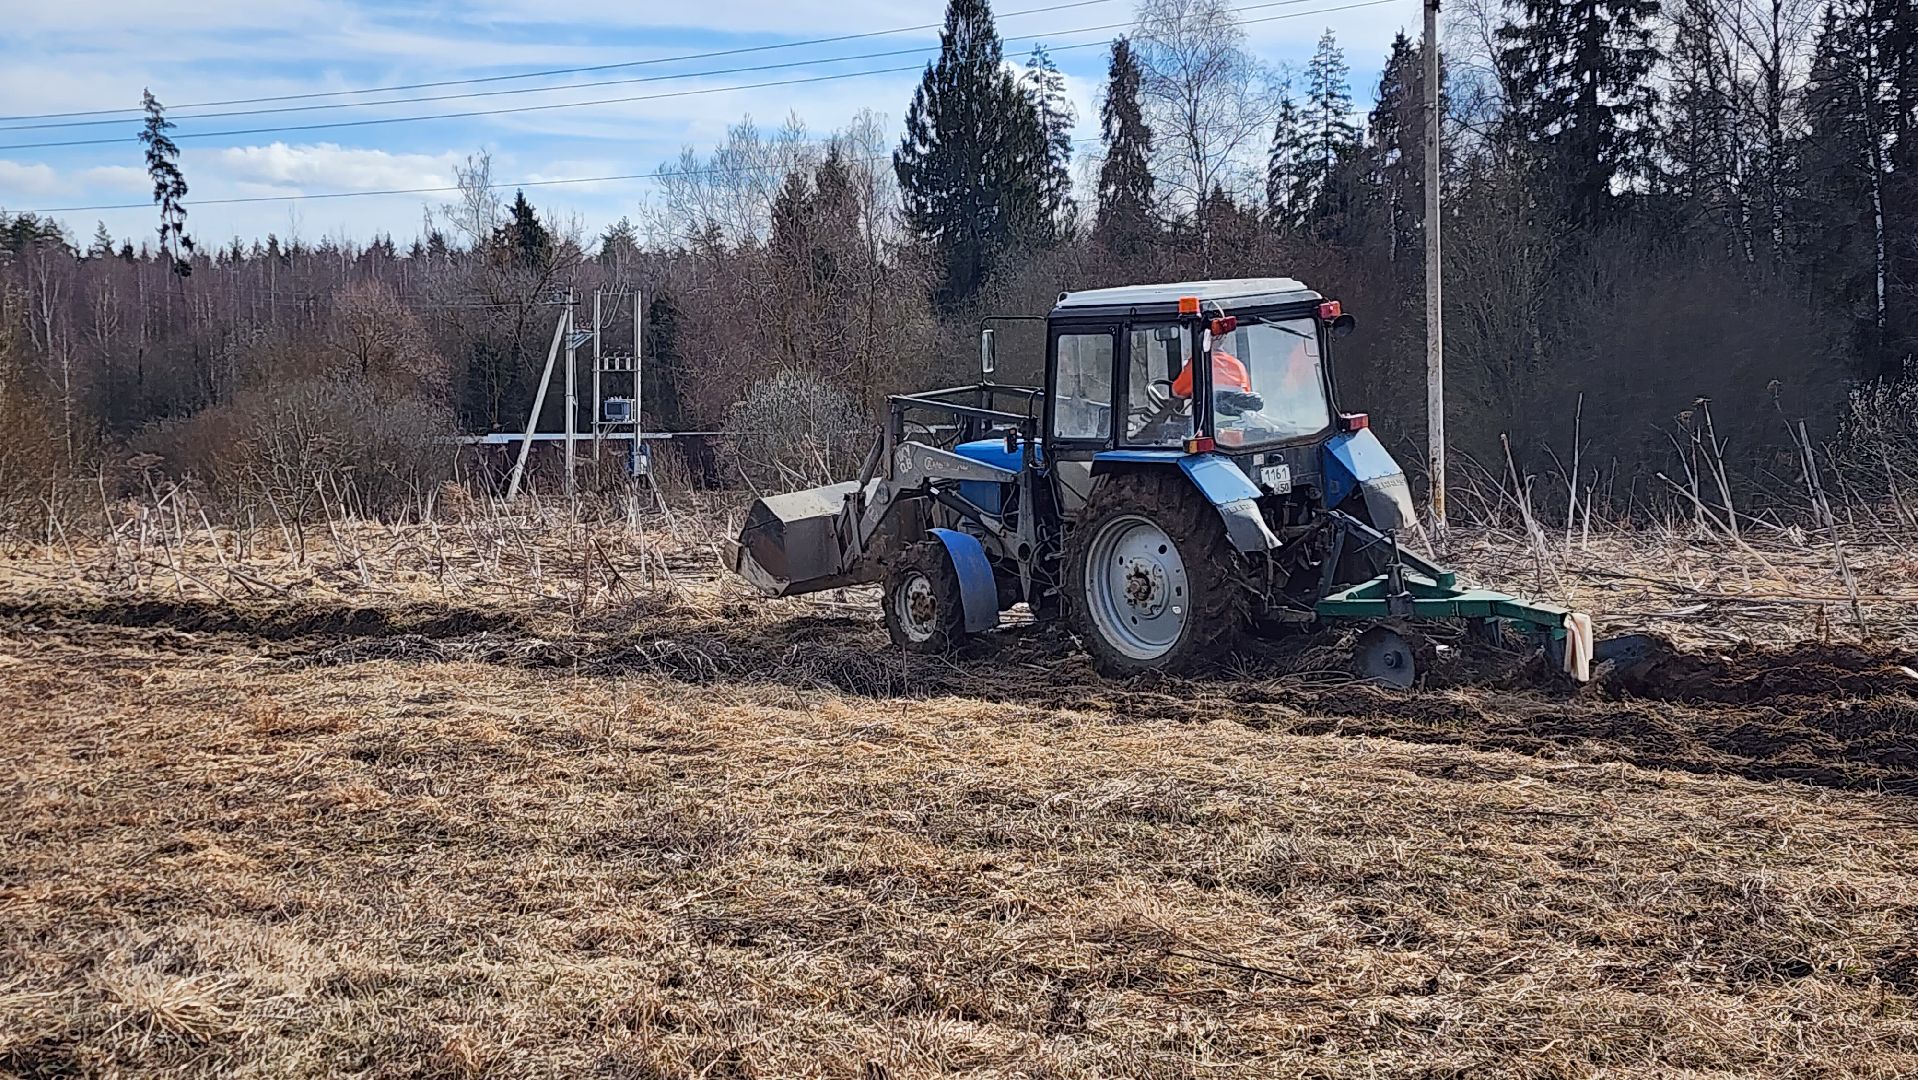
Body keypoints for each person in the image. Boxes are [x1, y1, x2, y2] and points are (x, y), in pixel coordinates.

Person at [1169, 346, 1251, 398]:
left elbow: (1177, 392)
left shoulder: (1198, 364)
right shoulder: (1238, 365)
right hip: (1237, 420)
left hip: (1207, 418)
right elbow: (1246, 394)